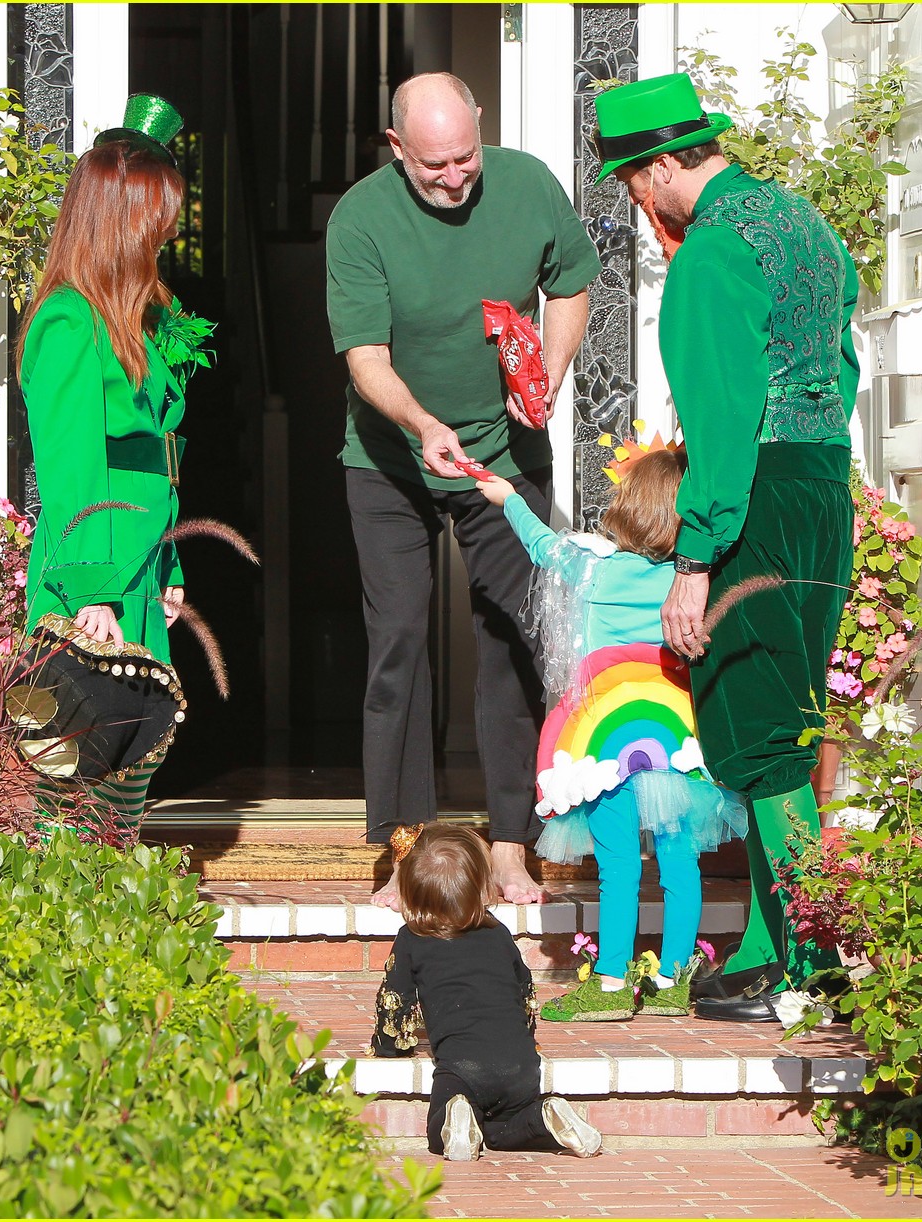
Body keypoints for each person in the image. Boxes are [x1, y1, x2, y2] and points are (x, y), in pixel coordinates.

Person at [592, 73, 856, 1024]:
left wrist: (696, 561)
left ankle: (806, 965)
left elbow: (720, 414)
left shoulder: (708, 255)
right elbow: (843, 366)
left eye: (631, 178)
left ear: (665, 164)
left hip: (756, 497)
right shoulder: (803, 224)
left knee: (756, 727)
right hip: (823, 484)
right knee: (791, 710)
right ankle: (767, 943)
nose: (632, 197)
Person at [326, 72, 601, 908]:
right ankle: (406, 849)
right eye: (433, 165)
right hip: (390, 459)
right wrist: (422, 424)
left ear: (481, 122)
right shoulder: (360, 219)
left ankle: (511, 845)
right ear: (396, 147)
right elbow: (364, 358)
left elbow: (572, 280)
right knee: (399, 642)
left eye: (465, 158)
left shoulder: (526, 183)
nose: (454, 178)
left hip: (505, 456)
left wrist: (545, 375)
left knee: (513, 637)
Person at [476, 445, 746, 1021]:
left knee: (617, 863)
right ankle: (674, 978)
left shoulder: (593, 569)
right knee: (680, 861)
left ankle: (611, 983)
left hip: (604, 736)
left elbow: (542, 544)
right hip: (670, 734)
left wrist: (510, 499)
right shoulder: (694, 582)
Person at [17, 93, 205, 840]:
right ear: (117, 221)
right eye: (155, 217)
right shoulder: (67, 321)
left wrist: (169, 565)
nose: (168, 230)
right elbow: (70, 467)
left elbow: (157, 458)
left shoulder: (139, 319)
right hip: (93, 562)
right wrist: (90, 588)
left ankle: (107, 890)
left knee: (139, 742)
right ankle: (69, 906)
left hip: (138, 557)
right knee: (81, 742)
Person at [369, 823, 603, 1160]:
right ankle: (545, 1117)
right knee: (502, 1131)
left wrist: (389, 1047)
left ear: (412, 891)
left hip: (462, 1069)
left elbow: (394, 1001)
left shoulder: (412, 937)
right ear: (482, 885)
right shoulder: (498, 931)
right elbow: (524, 992)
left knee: (440, 1132)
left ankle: (455, 1114)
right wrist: (527, 1035)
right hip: (520, 1066)